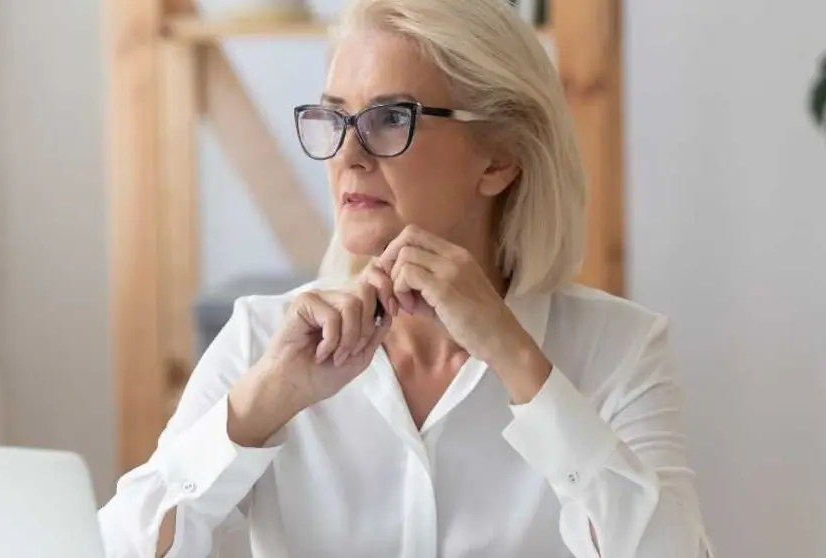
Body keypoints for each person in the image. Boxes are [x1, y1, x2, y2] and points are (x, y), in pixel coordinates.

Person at [98, 0, 713, 556]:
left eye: (390, 119)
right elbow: (122, 548)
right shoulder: (262, 340)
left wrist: (518, 360)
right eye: (335, 119)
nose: (347, 155)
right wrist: (263, 403)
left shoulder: (620, 351)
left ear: (500, 158)